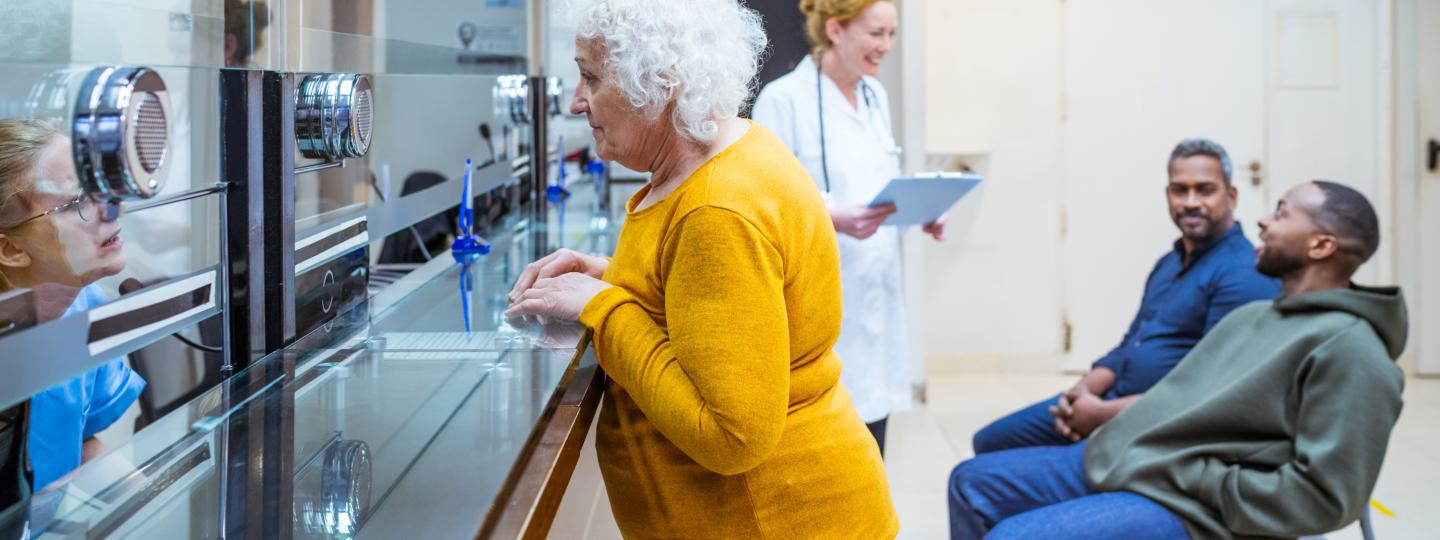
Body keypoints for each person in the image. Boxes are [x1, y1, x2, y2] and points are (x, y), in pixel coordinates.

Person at [503, 0, 898, 537]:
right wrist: (618, 277)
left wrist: (606, 307)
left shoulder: (717, 209)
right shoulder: (731, 150)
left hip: (780, 518)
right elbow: (704, 300)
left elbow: (731, 437)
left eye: (590, 78)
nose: (577, 102)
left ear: (659, 81)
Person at [948, 181, 1406, 540]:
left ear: (1321, 246)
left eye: (1282, 212)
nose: (1263, 221)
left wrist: (1197, 477)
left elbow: (1325, 500)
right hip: (1135, 462)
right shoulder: (1255, 316)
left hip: (1199, 510)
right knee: (971, 484)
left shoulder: (1352, 351)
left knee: (1013, 536)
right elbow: (1174, 401)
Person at [971, 139, 1280, 454]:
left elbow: (1207, 391)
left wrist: (1102, 415)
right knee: (991, 440)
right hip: (1112, 400)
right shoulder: (1169, 263)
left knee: (988, 477)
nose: (1190, 201)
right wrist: (1082, 393)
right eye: (1179, 190)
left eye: (1204, 190)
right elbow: (1129, 345)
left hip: (1156, 427)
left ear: (1231, 196)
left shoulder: (1243, 273)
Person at [751, 0, 942, 455]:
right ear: (835, 30)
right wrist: (832, 217)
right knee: (829, 448)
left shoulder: (876, 97)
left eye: (892, 34)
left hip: (876, 287)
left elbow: (876, 187)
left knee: (875, 437)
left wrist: (922, 208)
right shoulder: (782, 101)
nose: (886, 47)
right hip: (820, 293)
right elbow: (764, 199)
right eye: (876, 34)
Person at [0, 119, 146, 490]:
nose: (112, 208)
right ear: (11, 250)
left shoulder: (86, 307)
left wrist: (152, 503)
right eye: (76, 202)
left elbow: (79, 440)